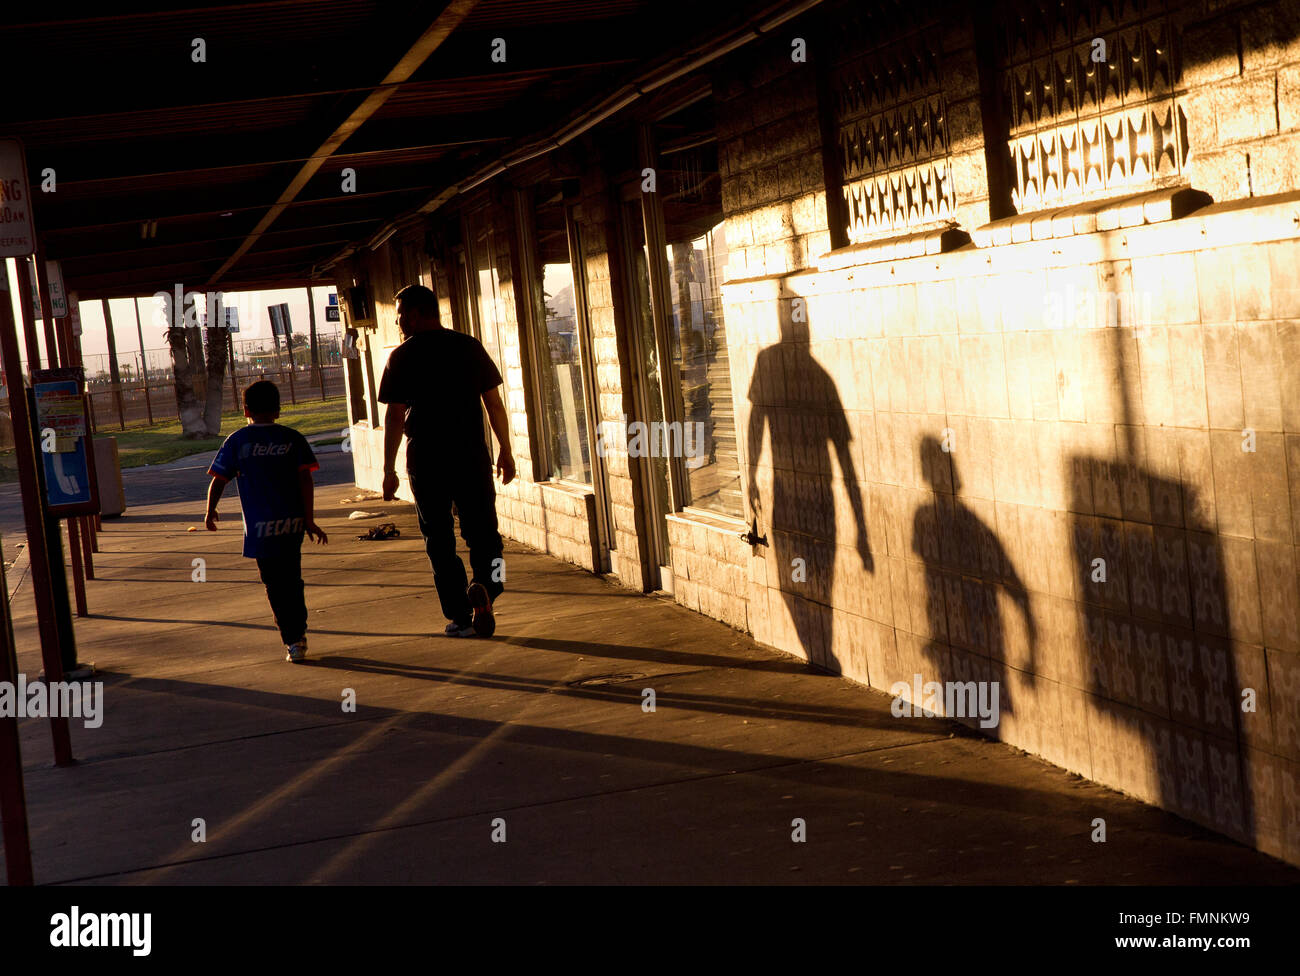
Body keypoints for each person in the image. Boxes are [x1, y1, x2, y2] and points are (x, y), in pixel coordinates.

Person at [378, 283, 515, 638]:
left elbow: (394, 417)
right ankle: (488, 587)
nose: (398, 322)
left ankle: (459, 615)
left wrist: (389, 469)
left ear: (417, 313)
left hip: (426, 459)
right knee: (485, 534)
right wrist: (506, 449)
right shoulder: (468, 346)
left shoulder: (401, 357)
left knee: (438, 538)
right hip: (471, 454)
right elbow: (494, 404)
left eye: (400, 314)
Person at [205, 380, 328, 662]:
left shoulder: (237, 441)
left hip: (261, 530)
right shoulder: (293, 438)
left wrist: (210, 510)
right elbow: (306, 479)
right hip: (292, 524)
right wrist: (309, 519)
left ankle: (292, 639)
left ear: (245, 409)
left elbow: (219, 479)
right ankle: (298, 634)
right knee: (292, 579)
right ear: (279, 409)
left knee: (274, 584)